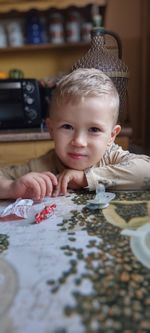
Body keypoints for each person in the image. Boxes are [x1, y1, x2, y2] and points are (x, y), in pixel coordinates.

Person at [0, 68, 150, 200]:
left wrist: (85, 179)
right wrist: (11, 188)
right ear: (51, 129)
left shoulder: (111, 157)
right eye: (67, 126)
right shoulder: (44, 165)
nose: (79, 141)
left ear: (112, 136)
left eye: (94, 129)